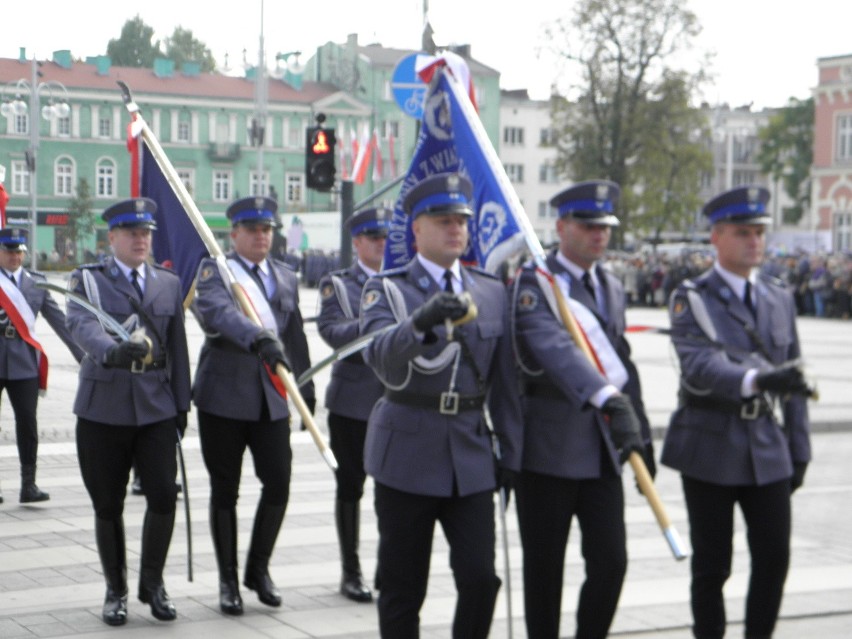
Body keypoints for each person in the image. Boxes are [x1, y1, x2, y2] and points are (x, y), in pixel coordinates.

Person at [359, 172, 523, 638]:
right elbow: (378, 356)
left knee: (480, 579)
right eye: (442, 219)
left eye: (461, 220)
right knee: (402, 585)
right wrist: (420, 323)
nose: (455, 228)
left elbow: (505, 382)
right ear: (416, 228)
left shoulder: (491, 290)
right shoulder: (387, 289)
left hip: (469, 455)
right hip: (407, 452)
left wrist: (512, 450)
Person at [662, 186, 811, 639]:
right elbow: (700, 363)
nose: (755, 242)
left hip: (766, 446)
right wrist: (756, 380)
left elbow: (795, 373)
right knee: (713, 566)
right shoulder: (692, 297)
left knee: (773, 558)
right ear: (717, 238)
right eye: (743, 233)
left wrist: (799, 445)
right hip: (709, 443)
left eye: (760, 232)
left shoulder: (777, 295)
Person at [511, 180, 654, 639]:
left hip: (601, 451)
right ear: (562, 226)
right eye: (589, 226)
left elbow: (621, 362)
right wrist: (610, 400)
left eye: (605, 227)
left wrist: (642, 431)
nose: (599, 235)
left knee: (612, 562)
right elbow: (555, 349)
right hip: (549, 450)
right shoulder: (536, 282)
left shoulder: (610, 284)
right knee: (545, 572)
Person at [66, 197, 191, 626]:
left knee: (162, 496)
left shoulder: (168, 283)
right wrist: (112, 351)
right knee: (107, 503)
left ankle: (152, 584)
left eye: (146, 233)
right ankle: (115, 590)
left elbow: (178, 348)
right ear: (112, 237)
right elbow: (81, 326)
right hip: (103, 407)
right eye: (133, 233)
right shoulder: (89, 281)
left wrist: (181, 403)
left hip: (155, 407)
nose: (141, 240)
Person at [192, 196, 316, 616]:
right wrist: (256, 336)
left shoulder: (285, 275)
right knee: (225, 490)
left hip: (271, 396)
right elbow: (217, 314)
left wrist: (306, 383)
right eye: (253, 229)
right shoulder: (217, 271)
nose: (262, 236)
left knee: (278, 482)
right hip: (223, 395)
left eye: (268, 229)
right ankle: (228, 580)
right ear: (235, 234)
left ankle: (257, 569)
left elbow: (293, 333)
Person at [316, 206, 390, 603]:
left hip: (396, 401)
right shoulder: (338, 285)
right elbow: (332, 331)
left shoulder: (402, 279)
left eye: (384, 237)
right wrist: (374, 326)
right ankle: (351, 570)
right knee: (351, 488)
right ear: (357, 243)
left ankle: (388, 567)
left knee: (393, 490)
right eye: (373, 238)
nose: (381, 244)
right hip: (353, 404)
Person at [0, 228, 84, 504]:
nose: (15, 257)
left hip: (24, 363)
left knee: (28, 422)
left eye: (19, 252)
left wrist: (84, 355)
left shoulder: (35, 283)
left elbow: (60, 321)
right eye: (9, 251)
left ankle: (29, 484)